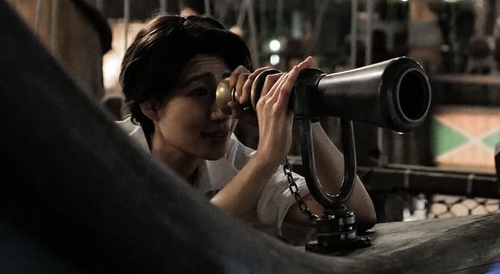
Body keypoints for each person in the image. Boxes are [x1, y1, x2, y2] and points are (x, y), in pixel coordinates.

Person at [119, 13, 376, 239]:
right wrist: (266, 158)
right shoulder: (108, 154)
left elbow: (358, 213)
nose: (219, 112)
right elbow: (174, 243)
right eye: (199, 92)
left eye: (224, 91)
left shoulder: (233, 161)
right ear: (151, 106)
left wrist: (300, 114)